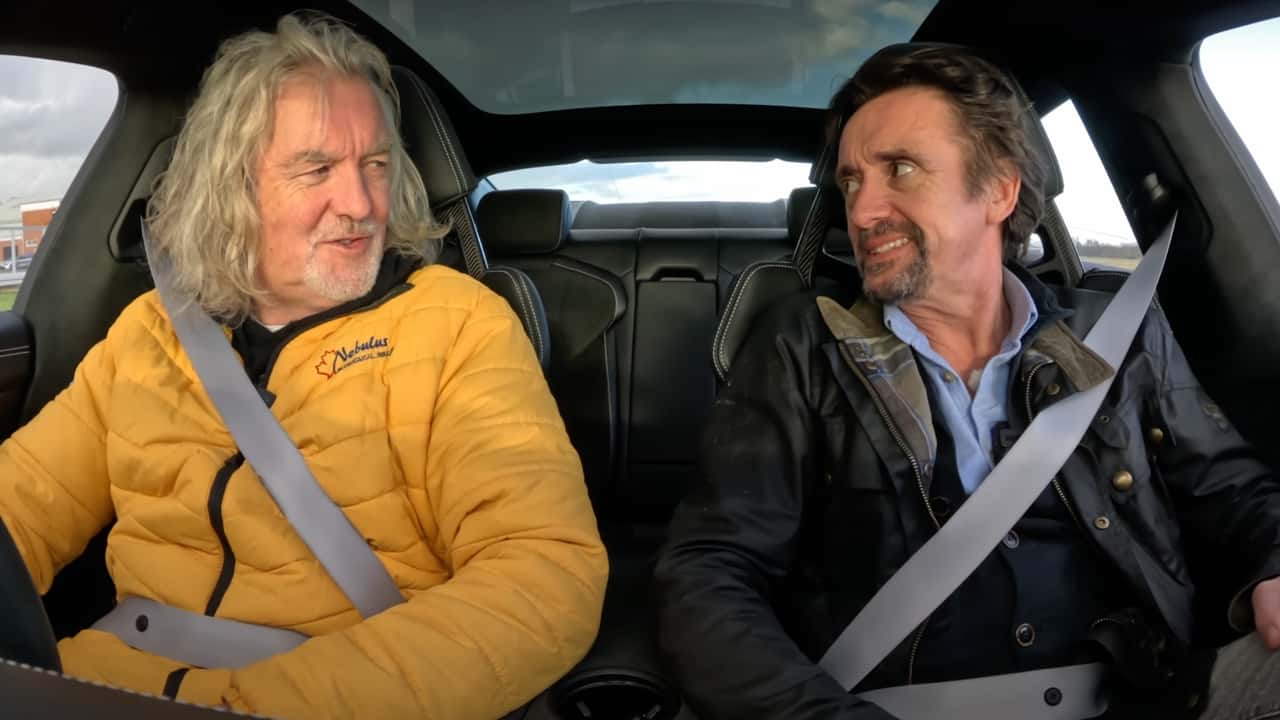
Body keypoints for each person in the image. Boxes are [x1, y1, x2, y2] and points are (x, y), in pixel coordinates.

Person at [0, 12, 607, 719]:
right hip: (99, 683)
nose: (360, 204)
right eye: (317, 169)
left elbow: (543, 575)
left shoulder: (457, 324)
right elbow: (19, 508)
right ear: (232, 187)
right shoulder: (151, 332)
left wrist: (260, 703)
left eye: (375, 164)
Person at [654, 43, 1280, 719]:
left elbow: (1228, 490)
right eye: (852, 182)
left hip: (1144, 695)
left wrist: (1274, 562)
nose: (861, 212)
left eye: (900, 169)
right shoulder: (801, 348)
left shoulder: (1119, 332)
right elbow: (708, 574)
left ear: (999, 191)